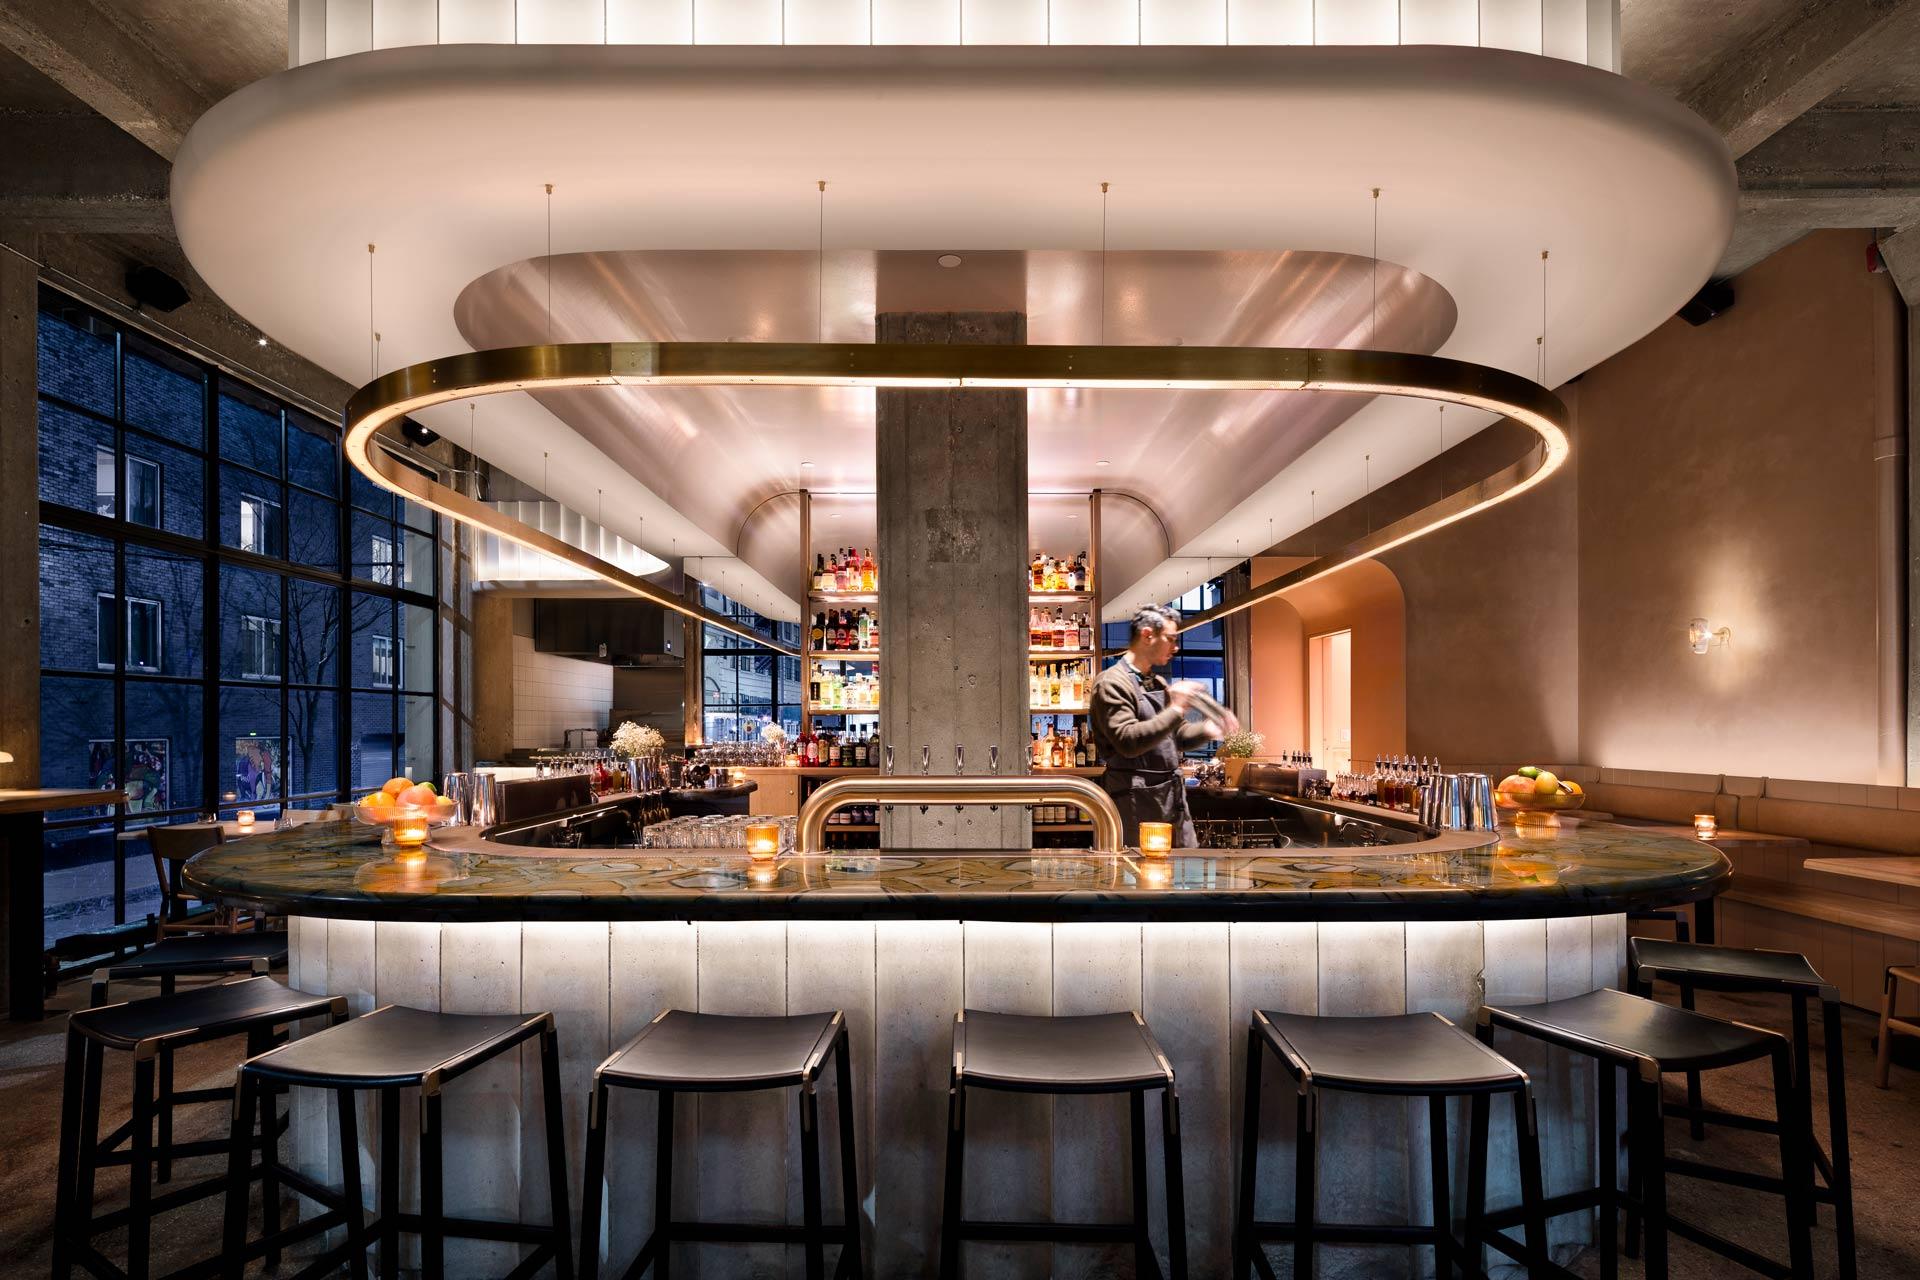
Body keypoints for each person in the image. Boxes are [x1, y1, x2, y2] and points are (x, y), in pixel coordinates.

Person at [1089, 605, 1239, 848]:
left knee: (1184, 877)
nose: (1176, 647)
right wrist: (1177, 708)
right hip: (1135, 801)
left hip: (1172, 801)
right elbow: (1128, 741)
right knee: (1139, 876)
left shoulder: (1156, 682)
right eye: (1171, 639)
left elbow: (1177, 737)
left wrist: (1208, 730)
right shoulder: (1111, 683)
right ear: (1148, 635)